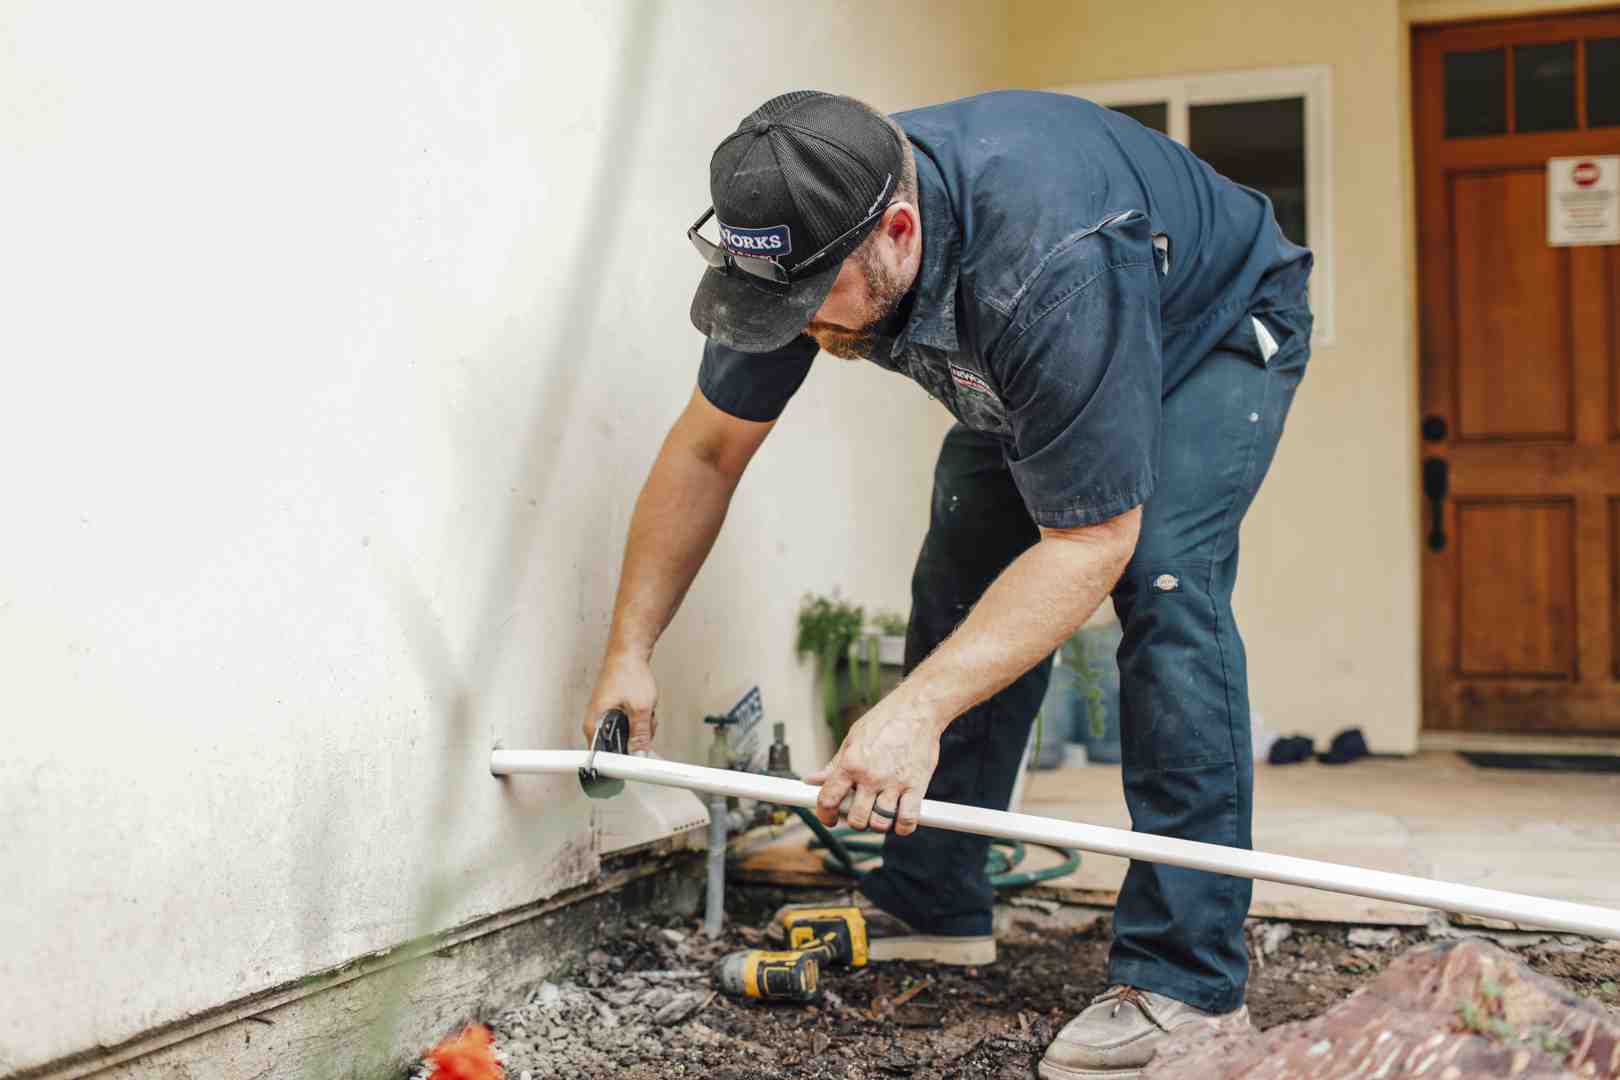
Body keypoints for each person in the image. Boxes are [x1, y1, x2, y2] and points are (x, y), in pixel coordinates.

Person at [584, 89, 1312, 1079]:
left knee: (1164, 576)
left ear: (896, 230)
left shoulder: (1048, 262)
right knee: (965, 554)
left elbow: (1091, 540)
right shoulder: (800, 233)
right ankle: (934, 898)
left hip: (1213, 330)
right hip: (1041, 350)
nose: (796, 328)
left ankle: (1185, 980)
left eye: (807, 306)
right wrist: (630, 649)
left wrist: (915, 710)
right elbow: (709, 449)